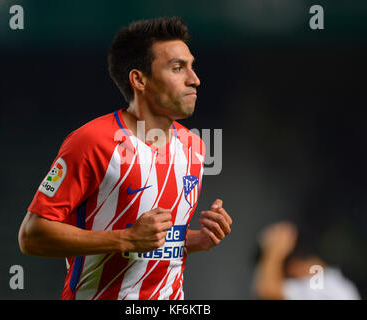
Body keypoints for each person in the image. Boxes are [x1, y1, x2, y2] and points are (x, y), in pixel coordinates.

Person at [18, 16, 232, 300]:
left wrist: (196, 239)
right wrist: (125, 238)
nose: (194, 79)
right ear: (139, 79)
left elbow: (151, 244)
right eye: (178, 68)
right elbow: (32, 235)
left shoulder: (195, 146)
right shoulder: (92, 141)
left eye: (191, 67)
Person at [252, 221, 360, 300]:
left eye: (281, 275)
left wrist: (274, 252)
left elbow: (266, 290)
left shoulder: (322, 286)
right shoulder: (335, 285)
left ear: (292, 266)